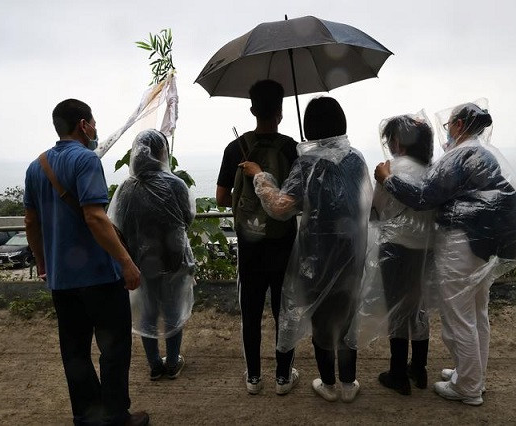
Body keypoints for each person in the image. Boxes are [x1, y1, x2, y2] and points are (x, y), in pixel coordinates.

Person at [375, 101, 516, 406]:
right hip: (489, 244)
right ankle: (471, 374)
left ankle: (468, 387)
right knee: (476, 311)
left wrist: (387, 179)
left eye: (449, 125)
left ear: (459, 125)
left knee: (459, 316)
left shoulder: (460, 154)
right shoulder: (482, 153)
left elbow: (422, 198)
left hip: (465, 242)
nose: (447, 132)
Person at [23, 99, 149, 425]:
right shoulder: (86, 161)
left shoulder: (36, 167)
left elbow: (30, 223)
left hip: (62, 281)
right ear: (83, 125)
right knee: (113, 349)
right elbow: (95, 217)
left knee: (75, 352)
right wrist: (127, 263)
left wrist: (41, 263)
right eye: (93, 123)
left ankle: (86, 417)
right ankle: (117, 416)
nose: (95, 129)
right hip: (100, 278)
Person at [241, 96, 372, 403]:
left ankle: (328, 385)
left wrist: (260, 175)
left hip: (317, 257)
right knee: (347, 317)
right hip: (352, 253)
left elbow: (279, 208)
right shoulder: (357, 159)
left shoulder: (307, 163)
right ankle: (349, 383)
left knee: (322, 319)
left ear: (310, 127)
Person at [215, 79, 299, 395]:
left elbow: (222, 198)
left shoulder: (235, 149)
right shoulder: (292, 148)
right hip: (283, 242)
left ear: (252, 110)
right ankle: (282, 377)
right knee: (284, 309)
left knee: (251, 309)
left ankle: (253, 377)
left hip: (250, 242)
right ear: (280, 111)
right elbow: (299, 196)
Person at [350, 113, 435, 396]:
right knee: (418, 305)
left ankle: (398, 372)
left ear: (397, 141)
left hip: (396, 247)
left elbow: (374, 211)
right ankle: (418, 368)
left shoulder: (389, 170)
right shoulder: (430, 170)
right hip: (426, 247)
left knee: (398, 308)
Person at [108, 129, 196, 382]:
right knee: (172, 312)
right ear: (162, 153)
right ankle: (172, 362)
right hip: (172, 259)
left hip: (140, 263)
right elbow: (186, 219)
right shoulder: (176, 184)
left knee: (146, 312)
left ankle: (154, 365)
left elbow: (118, 225)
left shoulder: (125, 188)